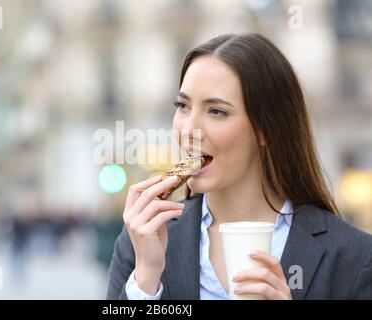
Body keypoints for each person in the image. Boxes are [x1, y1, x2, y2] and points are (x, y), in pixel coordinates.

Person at [106, 33, 372, 300]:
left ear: (266, 129)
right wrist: (146, 281)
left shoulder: (355, 257)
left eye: (216, 111)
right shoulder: (143, 242)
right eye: (183, 106)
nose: (189, 130)